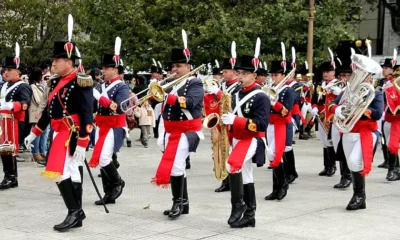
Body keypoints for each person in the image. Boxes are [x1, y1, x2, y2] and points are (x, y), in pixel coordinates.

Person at [24, 22, 94, 231]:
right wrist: (34, 132)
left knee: (59, 171)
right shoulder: (55, 82)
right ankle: (77, 213)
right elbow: (49, 112)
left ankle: (74, 211)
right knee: (71, 171)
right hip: (58, 130)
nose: (53, 63)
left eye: (58, 59)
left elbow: (86, 114)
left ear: (70, 61)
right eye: (54, 59)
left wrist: (83, 142)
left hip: (71, 132)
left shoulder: (81, 82)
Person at [153, 31, 204, 220]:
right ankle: (184, 203)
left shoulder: (195, 82)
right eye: (173, 65)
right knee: (178, 166)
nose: (175, 68)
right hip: (170, 130)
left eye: (179, 65)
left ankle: (177, 202)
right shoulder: (170, 83)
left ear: (188, 66)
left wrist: (168, 96)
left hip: (186, 131)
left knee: (176, 165)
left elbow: (191, 103)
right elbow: (159, 103)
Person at [221, 47, 270, 228]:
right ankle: (250, 215)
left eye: (245, 73)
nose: (240, 77)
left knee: (232, 165)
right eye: (239, 73)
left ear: (254, 76)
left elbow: (262, 124)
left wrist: (237, 120)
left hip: (252, 139)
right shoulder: (235, 93)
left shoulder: (261, 96)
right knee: (246, 175)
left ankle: (238, 205)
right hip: (238, 139)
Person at [329, 56, 383, 210]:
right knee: (351, 163)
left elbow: (378, 113)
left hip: (366, 132)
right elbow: (333, 103)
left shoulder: (376, 93)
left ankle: (359, 195)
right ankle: (360, 197)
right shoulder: (348, 90)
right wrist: (337, 109)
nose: (356, 74)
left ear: (369, 76)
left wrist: (360, 108)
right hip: (348, 132)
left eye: (361, 72)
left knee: (354, 162)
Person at [90, 38, 128, 205]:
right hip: (101, 125)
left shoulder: (121, 87)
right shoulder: (101, 86)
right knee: (100, 158)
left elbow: (120, 107)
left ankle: (117, 182)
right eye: (104, 68)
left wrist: (102, 99)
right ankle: (108, 193)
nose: (103, 71)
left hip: (114, 126)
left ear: (115, 69)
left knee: (105, 158)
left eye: (107, 68)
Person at [0, 44, 32, 189]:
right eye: (4, 69)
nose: (5, 72)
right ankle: (11, 177)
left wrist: (13, 105)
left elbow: (26, 103)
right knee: (4, 149)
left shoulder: (23, 86)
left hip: (14, 120)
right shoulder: (5, 85)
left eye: (9, 70)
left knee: (8, 149)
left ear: (17, 72)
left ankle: (10, 176)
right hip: (4, 121)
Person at [265, 59, 295, 201]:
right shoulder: (270, 88)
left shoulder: (288, 91)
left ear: (283, 75)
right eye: (273, 75)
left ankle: (282, 185)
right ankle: (276, 188)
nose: (274, 77)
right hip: (269, 125)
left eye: (276, 75)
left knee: (274, 155)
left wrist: (273, 102)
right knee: (271, 154)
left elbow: (285, 111)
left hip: (281, 125)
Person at [311, 60, 343, 177]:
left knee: (332, 141)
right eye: (324, 71)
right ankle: (327, 166)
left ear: (334, 72)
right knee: (324, 142)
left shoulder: (339, 84)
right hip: (321, 116)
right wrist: (314, 107)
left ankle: (333, 166)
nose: (326, 74)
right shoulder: (320, 84)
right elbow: (314, 99)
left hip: (332, 116)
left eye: (328, 71)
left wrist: (339, 93)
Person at [376, 58, 396, 169]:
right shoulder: (379, 81)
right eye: (383, 68)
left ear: (392, 70)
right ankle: (386, 159)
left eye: (386, 68)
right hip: (381, 112)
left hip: (391, 112)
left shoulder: (395, 81)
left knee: (391, 139)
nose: (383, 70)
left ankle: (392, 163)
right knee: (383, 137)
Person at [28, 67, 47, 163]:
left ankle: (43, 151)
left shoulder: (40, 85)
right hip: (36, 112)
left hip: (41, 112)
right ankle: (36, 153)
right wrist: (45, 104)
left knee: (44, 133)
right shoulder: (32, 86)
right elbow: (37, 99)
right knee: (37, 133)